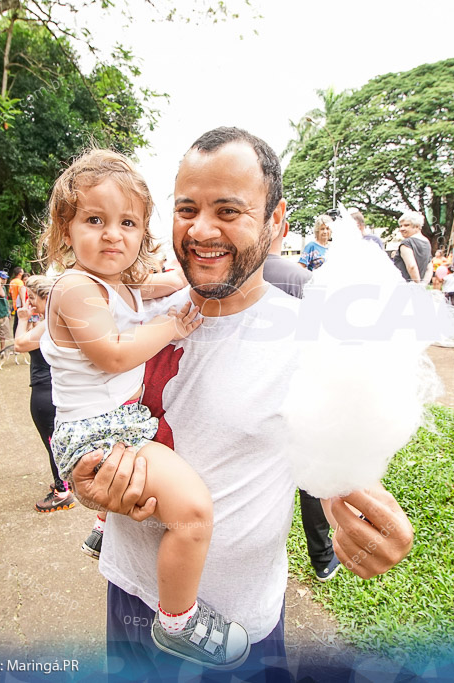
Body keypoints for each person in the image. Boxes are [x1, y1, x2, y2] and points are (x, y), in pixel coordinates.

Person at [71, 127, 414, 680]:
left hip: (233, 627)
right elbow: (91, 422)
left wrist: (356, 514)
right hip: (131, 588)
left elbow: (328, 470)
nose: (201, 230)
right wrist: (90, 480)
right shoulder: (134, 318)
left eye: (228, 210)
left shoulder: (309, 337)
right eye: (187, 209)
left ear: (276, 222)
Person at [38, 149, 253, 670]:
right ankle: (177, 620)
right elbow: (112, 354)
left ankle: (102, 527)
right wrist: (171, 327)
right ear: (64, 230)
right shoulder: (73, 288)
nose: (113, 234)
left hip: (115, 428)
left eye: (127, 222)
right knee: (195, 513)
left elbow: (165, 283)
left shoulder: (118, 287)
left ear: (141, 233)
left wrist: (191, 276)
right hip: (96, 437)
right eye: (95, 220)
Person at [261, 218, 340, 583]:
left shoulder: (230, 279)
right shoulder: (302, 279)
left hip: (254, 401)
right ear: (283, 227)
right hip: (297, 395)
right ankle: (322, 557)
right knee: (308, 476)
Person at [12, 274, 76, 513]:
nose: (30, 304)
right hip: (53, 387)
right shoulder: (58, 319)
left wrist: (22, 320)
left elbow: (20, 344)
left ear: (47, 298)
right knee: (55, 439)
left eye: (32, 298)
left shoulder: (50, 321)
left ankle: (62, 491)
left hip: (46, 389)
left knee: (52, 441)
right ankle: (64, 480)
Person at [392, 211, 432, 283]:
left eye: (406, 225)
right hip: (417, 288)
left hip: (403, 286)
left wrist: (416, 285)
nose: (402, 229)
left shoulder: (407, 243)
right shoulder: (426, 242)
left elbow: (411, 266)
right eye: (401, 226)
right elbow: (429, 268)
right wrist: (423, 285)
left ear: (417, 226)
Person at [8, 267, 25, 337]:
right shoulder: (20, 282)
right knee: (20, 322)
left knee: (16, 322)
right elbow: (21, 293)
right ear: (20, 273)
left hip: (15, 304)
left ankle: (15, 336)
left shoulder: (12, 282)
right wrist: (23, 304)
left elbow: (10, 293)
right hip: (20, 305)